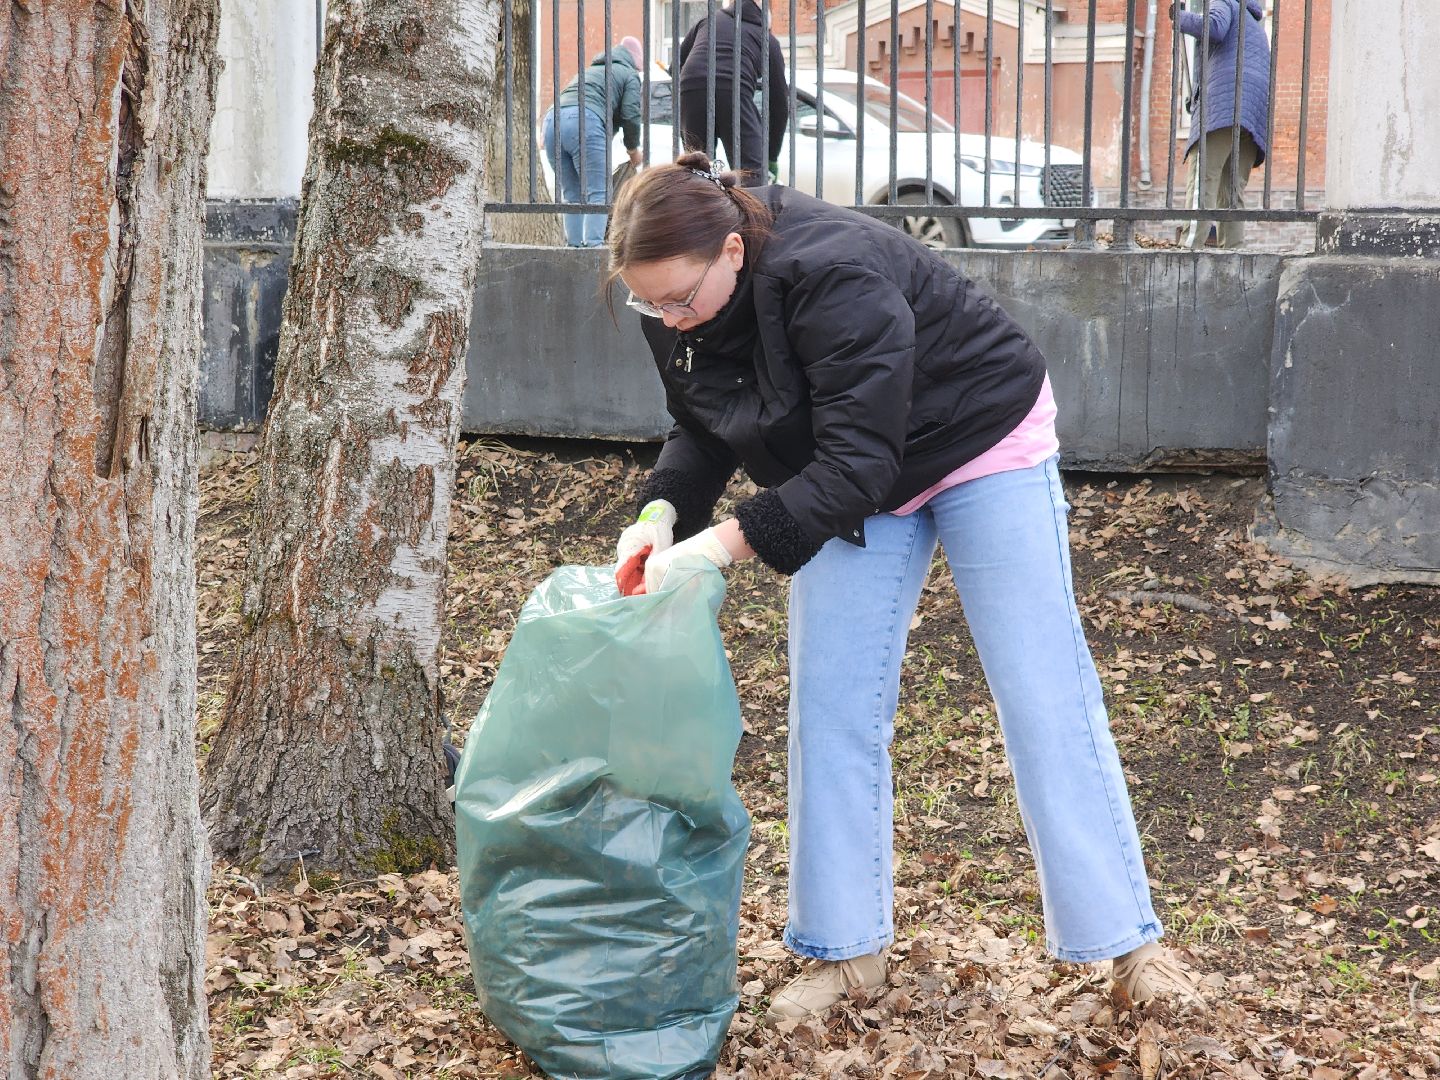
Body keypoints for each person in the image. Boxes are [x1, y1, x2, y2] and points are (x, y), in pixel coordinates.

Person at [606, 151, 1209, 1023]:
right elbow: (707, 419)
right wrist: (661, 513)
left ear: (734, 251)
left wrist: (720, 548)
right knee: (832, 706)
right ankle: (845, 954)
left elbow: (858, 462)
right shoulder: (676, 295)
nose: (668, 318)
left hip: (974, 434)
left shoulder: (831, 273)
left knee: (1043, 695)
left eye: (679, 299)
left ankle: (1129, 946)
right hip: (854, 468)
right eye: (648, 303)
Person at [1175, 0, 1271, 248]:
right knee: (1232, 189)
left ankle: (1189, 248)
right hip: (1253, 113)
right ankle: (1234, 253)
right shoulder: (1253, 21)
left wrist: (1181, 17)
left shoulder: (1225, 2)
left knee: (1203, 178)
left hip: (1224, 103)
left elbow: (1215, 27)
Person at [543, 37, 646, 247]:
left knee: (572, 195)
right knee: (597, 192)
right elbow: (631, 114)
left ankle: (573, 247)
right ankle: (593, 248)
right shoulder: (629, 74)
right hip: (584, 120)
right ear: (636, 61)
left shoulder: (591, 71)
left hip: (552, 121)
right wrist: (633, 149)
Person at [675, 0, 788, 182]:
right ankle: (755, 203)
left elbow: (676, 64)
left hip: (691, 86)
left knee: (696, 167)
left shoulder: (708, 21)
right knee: (751, 171)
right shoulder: (767, 39)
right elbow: (779, 102)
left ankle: (697, 203)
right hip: (733, 88)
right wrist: (771, 157)